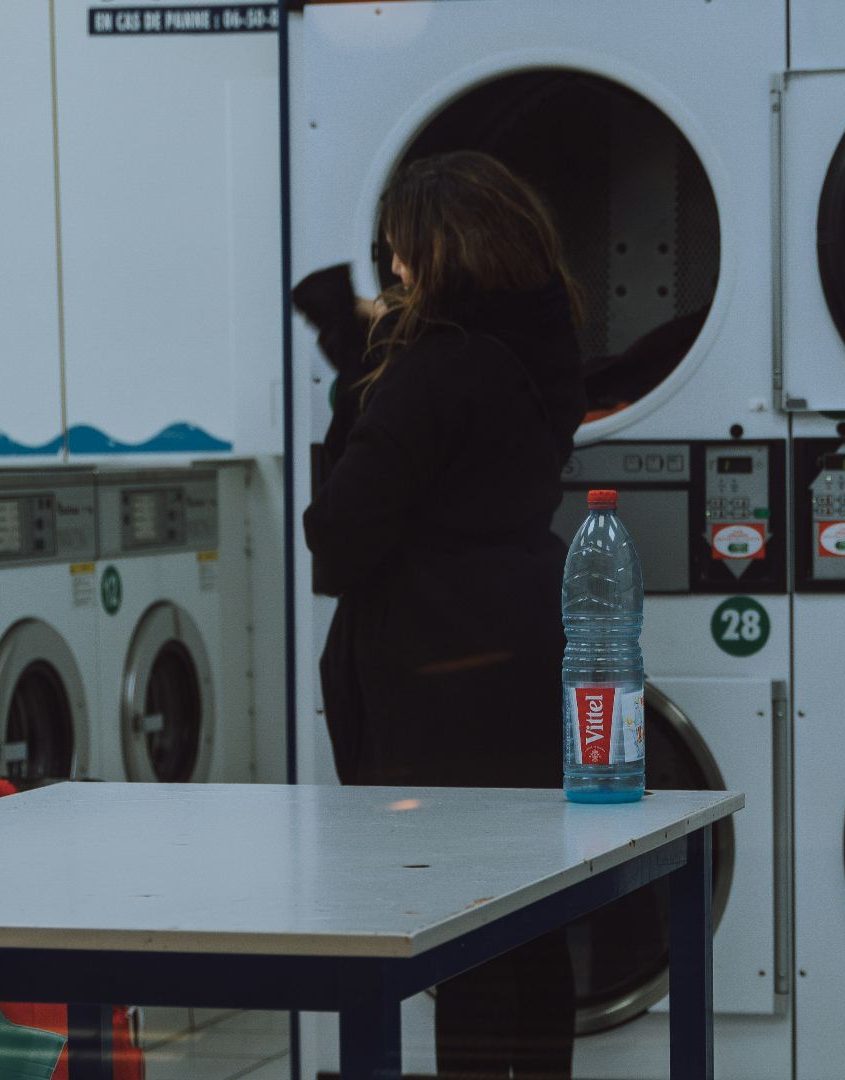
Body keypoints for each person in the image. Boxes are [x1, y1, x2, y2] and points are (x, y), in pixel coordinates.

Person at [295, 150, 584, 1080]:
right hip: (527, 656)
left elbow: (339, 533)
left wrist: (361, 379)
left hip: (438, 674)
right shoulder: (543, 347)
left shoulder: (433, 369)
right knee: (534, 922)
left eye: (400, 250)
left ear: (440, 252)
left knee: (464, 936)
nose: (392, 268)